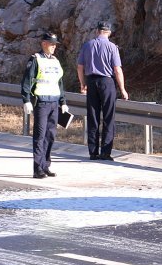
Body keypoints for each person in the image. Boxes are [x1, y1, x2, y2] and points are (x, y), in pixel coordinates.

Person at [77, 20, 128, 160]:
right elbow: (117, 69)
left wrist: (83, 84)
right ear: (109, 32)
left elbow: (80, 67)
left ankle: (93, 152)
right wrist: (123, 89)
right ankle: (105, 152)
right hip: (107, 82)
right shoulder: (112, 47)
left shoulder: (87, 45)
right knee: (108, 117)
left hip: (91, 81)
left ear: (97, 31)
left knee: (93, 117)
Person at [21, 32, 68, 179]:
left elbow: (59, 83)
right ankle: (37, 169)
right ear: (44, 44)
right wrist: (26, 100)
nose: (54, 46)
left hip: (54, 102)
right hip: (41, 102)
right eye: (51, 43)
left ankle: (46, 165)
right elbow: (27, 81)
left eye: (55, 44)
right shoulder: (36, 59)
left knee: (50, 135)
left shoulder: (55, 61)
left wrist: (63, 102)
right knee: (39, 136)